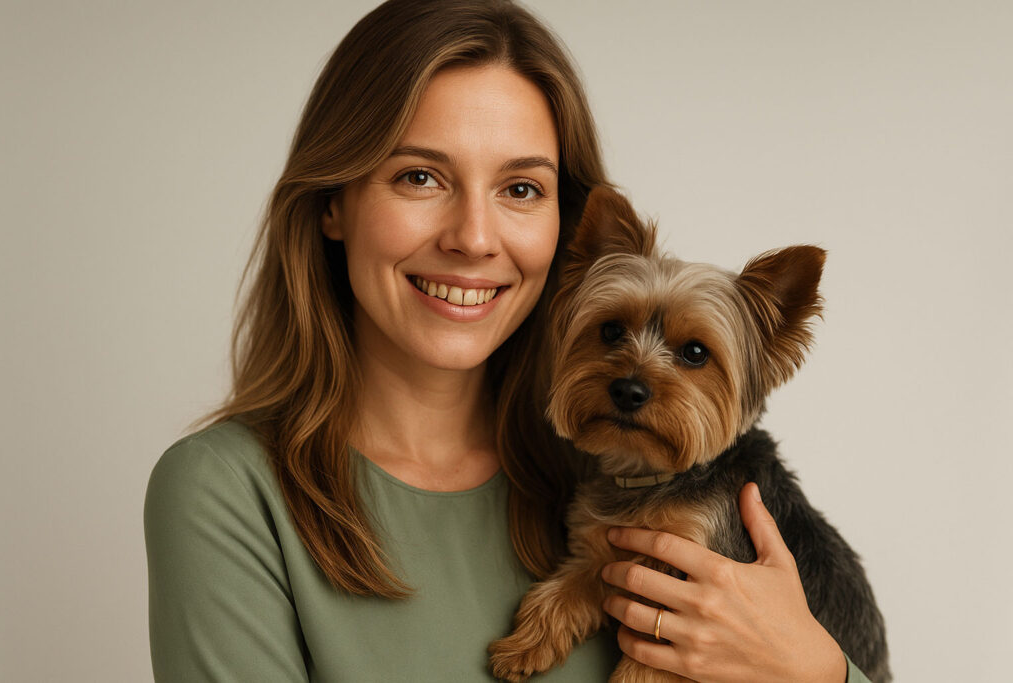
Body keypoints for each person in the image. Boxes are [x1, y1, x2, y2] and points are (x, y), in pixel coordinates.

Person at [144, 1, 875, 681]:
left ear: (565, 224)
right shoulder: (228, 493)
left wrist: (819, 669)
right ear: (334, 200)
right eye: (420, 175)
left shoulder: (605, 461)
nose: (473, 238)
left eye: (520, 189)